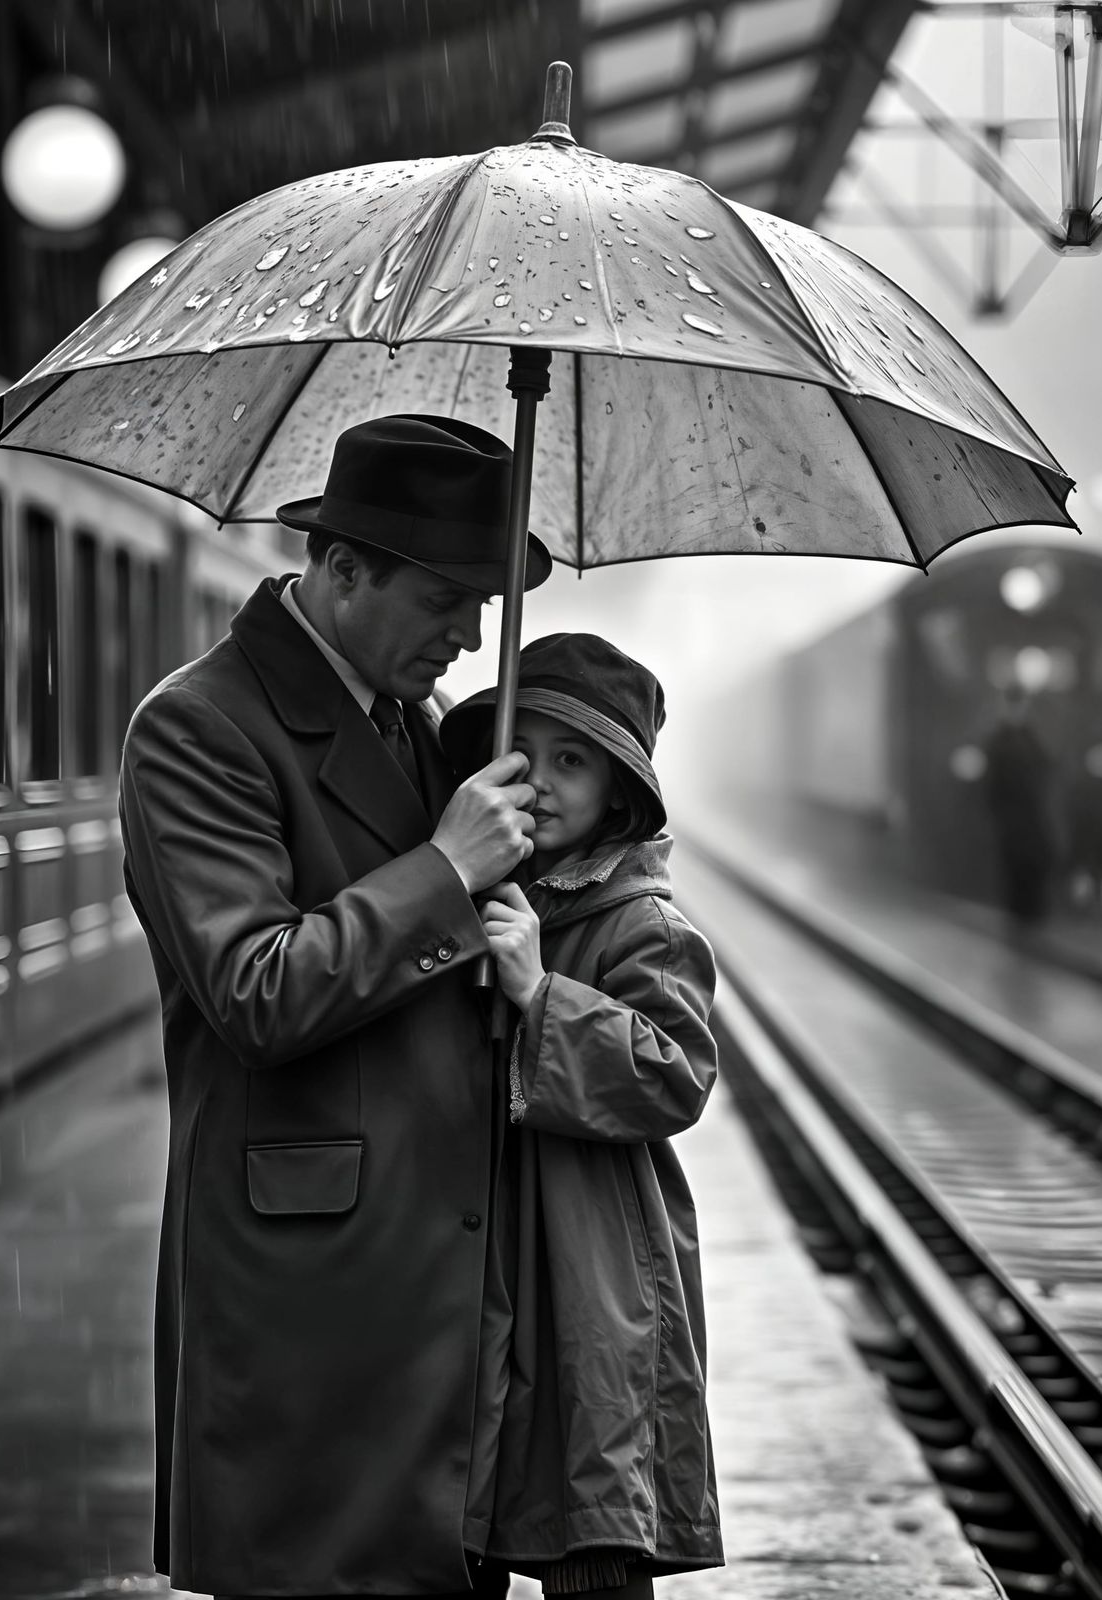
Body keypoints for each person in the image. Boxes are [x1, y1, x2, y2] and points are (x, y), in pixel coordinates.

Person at [118, 414, 554, 1600]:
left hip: (440, 1272)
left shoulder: (413, 727)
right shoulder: (198, 726)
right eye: (447, 599)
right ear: (342, 567)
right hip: (314, 1293)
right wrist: (446, 870)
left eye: (483, 603)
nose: (469, 635)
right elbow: (254, 990)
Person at [440, 634, 724, 1600]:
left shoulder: (643, 924)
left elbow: (670, 1075)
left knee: (589, 1515)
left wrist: (540, 994)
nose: (546, 781)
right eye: (525, 752)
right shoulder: (463, 889)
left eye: (575, 761)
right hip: (473, 1254)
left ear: (620, 794)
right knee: (458, 1508)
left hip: (586, 1268)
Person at [980, 683, 1061, 925]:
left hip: (1031, 813)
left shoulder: (1029, 737)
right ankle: (1019, 914)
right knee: (1015, 866)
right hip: (1012, 815)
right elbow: (993, 783)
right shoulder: (999, 741)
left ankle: (1032, 913)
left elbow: (1046, 769)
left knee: (1033, 863)